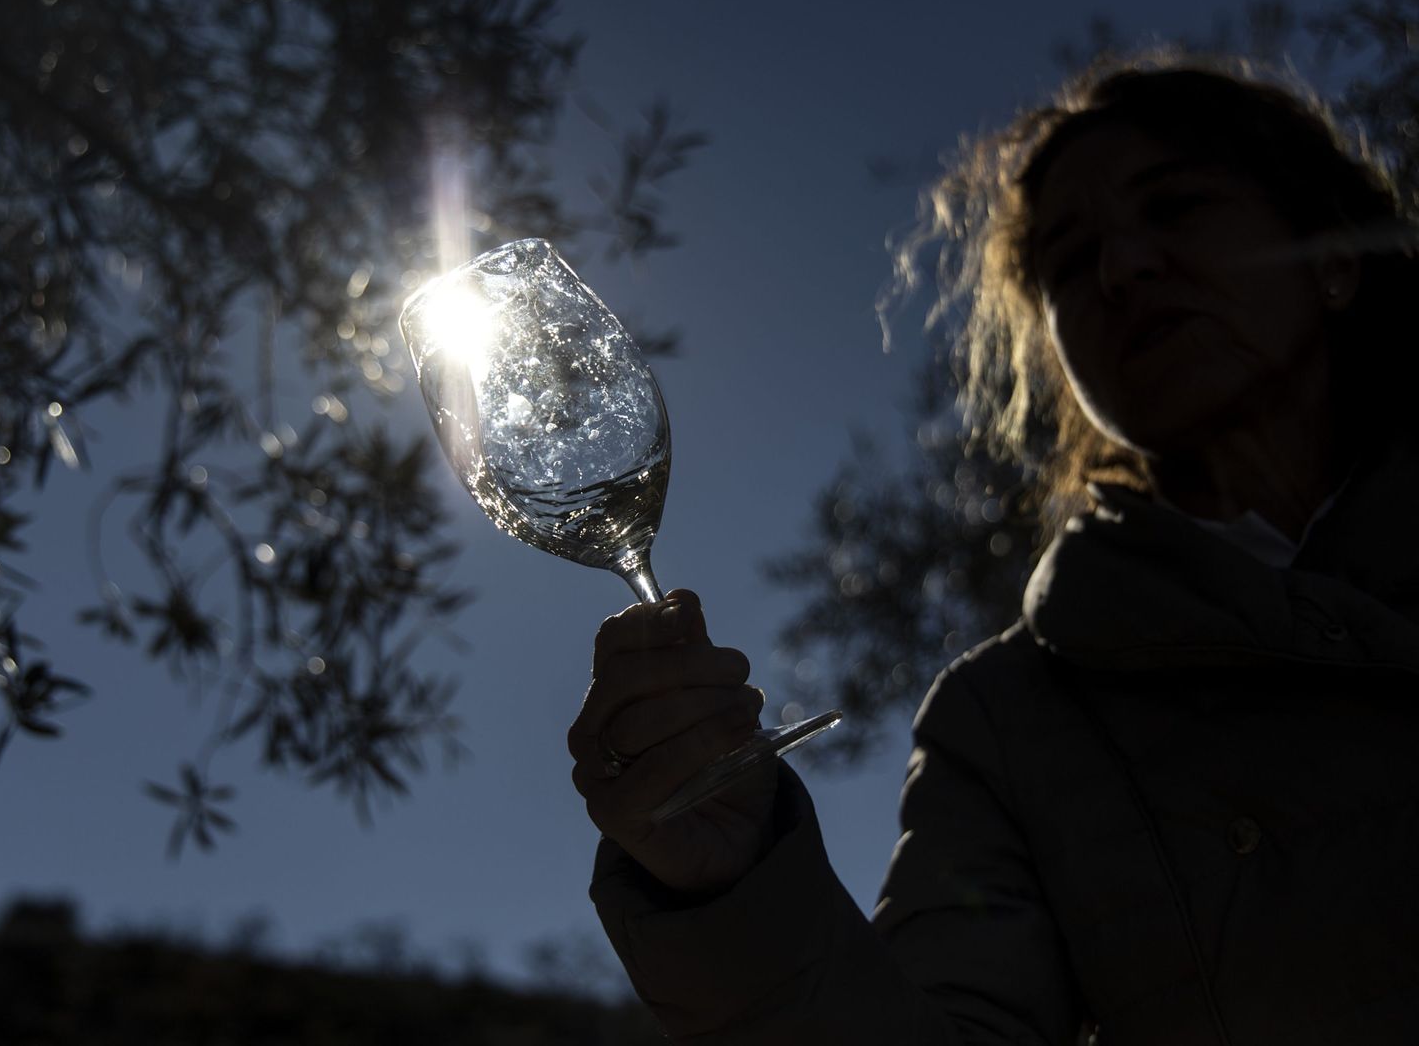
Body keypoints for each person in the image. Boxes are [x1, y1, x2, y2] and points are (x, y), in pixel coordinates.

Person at [566, 53, 1419, 1045]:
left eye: (1176, 208)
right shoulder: (1010, 721)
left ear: (1331, 255)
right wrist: (739, 886)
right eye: (1068, 257)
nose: (1122, 268)